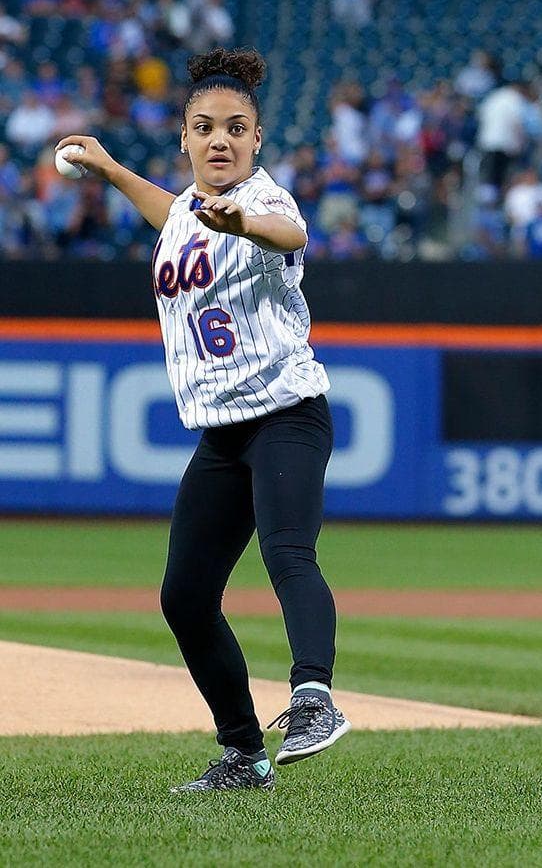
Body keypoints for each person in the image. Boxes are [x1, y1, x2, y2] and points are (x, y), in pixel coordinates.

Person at [55, 47, 350, 790]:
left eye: (236, 128)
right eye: (205, 127)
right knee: (183, 596)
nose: (221, 139)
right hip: (223, 436)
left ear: (257, 140)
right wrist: (114, 171)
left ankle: (314, 696)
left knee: (289, 553)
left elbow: (292, 236)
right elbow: (175, 217)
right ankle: (244, 755)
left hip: (288, 415)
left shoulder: (267, 201)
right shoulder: (189, 211)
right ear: (184, 138)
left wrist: (245, 220)